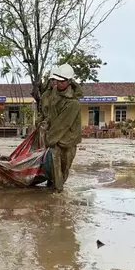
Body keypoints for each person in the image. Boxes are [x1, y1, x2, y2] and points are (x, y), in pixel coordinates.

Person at [45, 64, 82, 192]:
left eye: (62, 81)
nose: (59, 84)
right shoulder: (54, 93)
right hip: (56, 137)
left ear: (69, 81)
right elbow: (51, 113)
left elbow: (63, 124)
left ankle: (58, 187)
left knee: (65, 166)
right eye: (57, 81)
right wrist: (45, 123)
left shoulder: (73, 103)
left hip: (69, 139)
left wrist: (49, 139)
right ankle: (57, 190)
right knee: (55, 164)